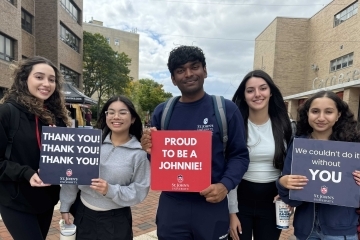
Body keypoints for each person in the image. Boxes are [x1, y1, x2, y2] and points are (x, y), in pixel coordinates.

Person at [140, 45, 250, 240]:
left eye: (194, 67)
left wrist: (225, 185)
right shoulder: (162, 112)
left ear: (205, 71)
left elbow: (239, 156)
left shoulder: (225, 110)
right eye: (180, 70)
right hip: (173, 207)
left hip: (211, 205)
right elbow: (157, 160)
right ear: (173, 79)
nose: (189, 74)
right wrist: (148, 149)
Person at [60, 95, 150, 240]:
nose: (116, 117)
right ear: (106, 116)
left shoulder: (139, 154)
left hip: (116, 220)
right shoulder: (89, 143)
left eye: (122, 112)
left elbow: (140, 190)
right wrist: (65, 205)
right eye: (111, 112)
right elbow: (72, 175)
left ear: (133, 118)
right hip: (83, 214)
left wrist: (110, 190)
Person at [0, 56, 71, 240]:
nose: (46, 83)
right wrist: (26, 173)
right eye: (39, 77)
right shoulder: (7, 112)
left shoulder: (57, 117)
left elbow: (67, 161)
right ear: (24, 79)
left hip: (46, 200)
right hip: (16, 200)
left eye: (51, 79)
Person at [277, 90, 360, 240]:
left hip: (341, 231)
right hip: (306, 230)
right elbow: (292, 200)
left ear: (338, 115)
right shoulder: (298, 145)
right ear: (307, 113)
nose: (321, 117)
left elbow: (355, 196)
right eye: (315, 111)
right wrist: (283, 183)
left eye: (328, 112)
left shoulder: (353, 148)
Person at [228, 70, 292, 240]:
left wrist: (288, 196)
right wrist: (231, 212)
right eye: (250, 90)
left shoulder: (285, 125)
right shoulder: (235, 125)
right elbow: (230, 168)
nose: (257, 94)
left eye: (262, 88)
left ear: (271, 91)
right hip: (241, 199)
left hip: (272, 201)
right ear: (244, 95)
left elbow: (292, 164)